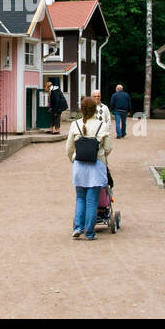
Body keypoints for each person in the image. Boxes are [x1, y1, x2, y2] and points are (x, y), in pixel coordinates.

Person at [66, 96, 113, 240]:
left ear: (82, 109)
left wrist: (73, 160)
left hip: (79, 165)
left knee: (80, 198)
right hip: (96, 165)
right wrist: (102, 154)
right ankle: (90, 233)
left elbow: (69, 147)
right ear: (96, 110)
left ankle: (78, 227)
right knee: (92, 200)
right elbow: (108, 148)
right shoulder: (102, 125)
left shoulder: (75, 125)